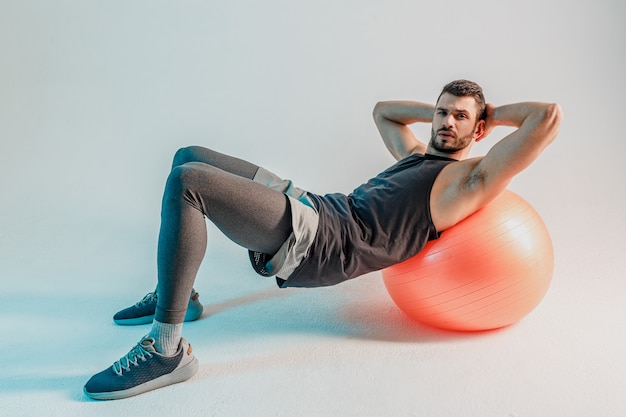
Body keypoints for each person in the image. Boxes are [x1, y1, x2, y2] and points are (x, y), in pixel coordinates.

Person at [83, 80, 563, 400]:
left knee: (189, 181)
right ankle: (178, 295)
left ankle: (167, 349)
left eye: (460, 118)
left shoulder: (466, 181)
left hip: (322, 244)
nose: (446, 123)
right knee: (188, 154)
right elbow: (383, 113)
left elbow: (547, 117)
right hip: (315, 205)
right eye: (442, 113)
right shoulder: (419, 154)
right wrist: (441, 112)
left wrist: (489, 115)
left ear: (478, 129)